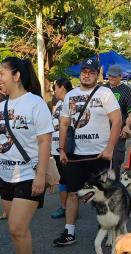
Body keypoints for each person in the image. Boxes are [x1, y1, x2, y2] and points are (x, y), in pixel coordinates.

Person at [53, 57, 121, 246]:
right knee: (73, 192)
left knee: (105, 194)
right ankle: (69, 232)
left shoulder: (105, 93)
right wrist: (61, 150)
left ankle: (108, 229)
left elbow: (117, 121)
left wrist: (109, 148)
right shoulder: (70, 95)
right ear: (80, 73)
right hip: (76, 155)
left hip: (100, 155)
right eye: (84, 71)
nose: (87, 75)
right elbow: (64, 123)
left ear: (97, 74)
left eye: (91, 72)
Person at [0, 56, 52, 254]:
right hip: (5, 175)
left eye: (2, 73)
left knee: (16, 227)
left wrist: (41, 176)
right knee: (16, 231)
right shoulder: (1, 107)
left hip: (29, 174)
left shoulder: (36, 103)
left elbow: (45, 141)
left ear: (16, 75)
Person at [105, 64, 131, 175]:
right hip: (102, 131)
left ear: (120, 77)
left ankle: (115, 186)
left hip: (118, 132)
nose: (111, 78)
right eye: (110, 76)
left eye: (114, 76)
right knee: (102, 162)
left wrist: (126, 127)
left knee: (116, 162)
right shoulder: (103, 89)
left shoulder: (126, 90)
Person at [49, 77, 72, 219]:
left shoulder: (71, 103)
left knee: (66, 178)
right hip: (55, 147)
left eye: (55, 88)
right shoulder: (58, 105)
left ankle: (66, 207)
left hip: (66, 148)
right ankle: (65, 206)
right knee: (62, 178)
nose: (54, 91)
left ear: (62, 87)